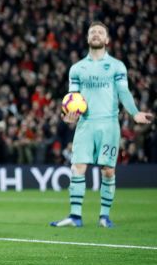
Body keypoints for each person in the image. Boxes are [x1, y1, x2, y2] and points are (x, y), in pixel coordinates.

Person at [51, 21, 153, 228]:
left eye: (100, 32)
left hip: (109, 124)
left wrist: (134, 113)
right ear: (88, 39)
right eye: (92, 32)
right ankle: (75, 216)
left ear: (107, 40)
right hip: (86, 124)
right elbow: (73, 97)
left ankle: (104, 217)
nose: (96, 35)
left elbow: (124, 92)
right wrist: (68, 114)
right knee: (77, 167)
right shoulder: (77, 68)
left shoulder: (117, 66)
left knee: (108, 170)